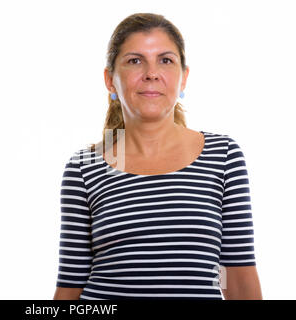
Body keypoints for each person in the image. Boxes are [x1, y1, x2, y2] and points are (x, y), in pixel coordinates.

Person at [53, 13, 262, 300]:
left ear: (183, 77)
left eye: (165, 60)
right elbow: (71, 283)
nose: (151, 73)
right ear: (109, 80)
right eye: (135, 60)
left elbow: (236, 277)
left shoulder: (222, 155)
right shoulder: (83, 166)